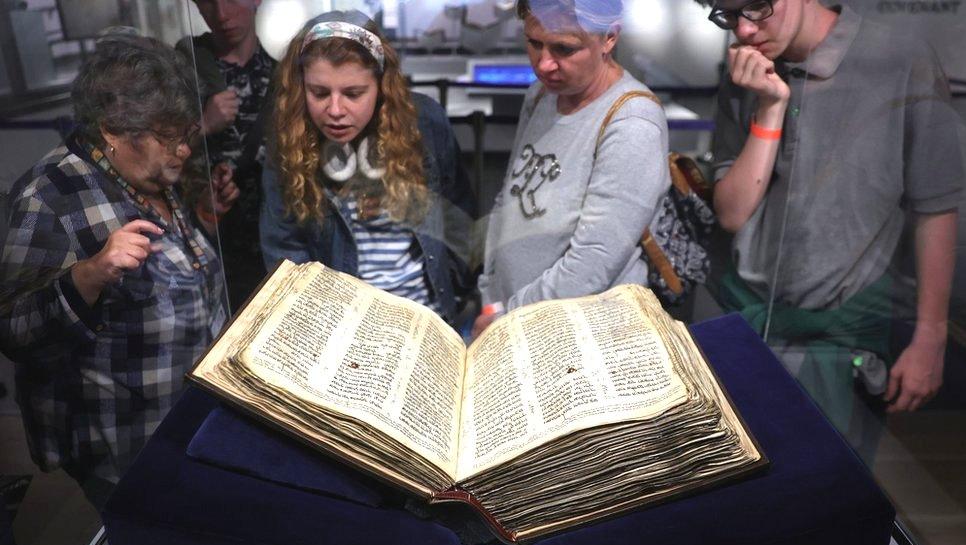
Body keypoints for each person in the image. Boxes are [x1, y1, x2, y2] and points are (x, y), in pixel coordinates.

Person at [699, 0, 966, 450]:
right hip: (749, 322)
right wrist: (769, 108)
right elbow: (732, 210)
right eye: (727, 14)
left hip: (839, 337)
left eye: (758, 7)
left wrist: (931, 336)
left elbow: (935, 205)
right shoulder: (748, 69)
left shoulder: (898, 57)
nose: (744, 30)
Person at [0, 33, 236, 509]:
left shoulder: (148, 176)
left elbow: (176, 275)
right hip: (123, 446)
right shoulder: (49, 194)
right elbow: (12, 330)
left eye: (185, 134)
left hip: (187, 428)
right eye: (168, 137)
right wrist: (88, 275)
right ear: (111, 129)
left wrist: (205, 220)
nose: (184, 151)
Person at [260, 11, 476, 327]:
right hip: (344, 326)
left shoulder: (425, 123)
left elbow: (459, 216)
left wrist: (455, 291)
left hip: (430, 319)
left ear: (381, 86)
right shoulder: (288, 142)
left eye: (353, 94)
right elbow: (285, 258)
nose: (335, 110)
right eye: (319, 93)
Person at [475, 0, 671, 335]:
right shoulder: (541, 94)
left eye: (564, 49)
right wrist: (490, 288)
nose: (544, 64)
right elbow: (509, 198)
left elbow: (593, 261)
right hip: (510, 315)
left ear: (609, 38)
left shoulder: (633, 121)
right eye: (534, 43)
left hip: (576, 329)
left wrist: (509, 315)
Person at [178, 0, 276, 312]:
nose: (221, 15)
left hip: (273, 247)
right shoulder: (179, 74)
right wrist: (203, 126)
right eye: (208, 2)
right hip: (202, 246)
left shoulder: (284, 77)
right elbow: (144, 156)